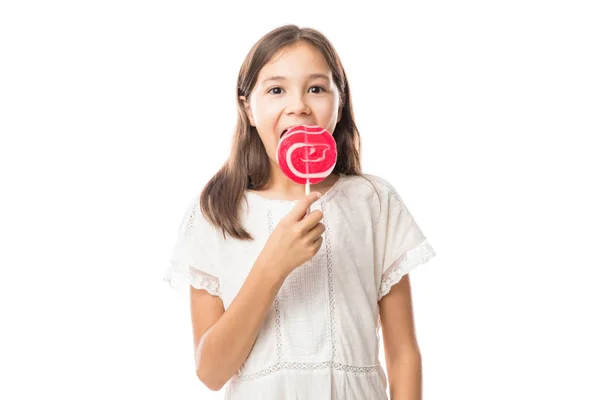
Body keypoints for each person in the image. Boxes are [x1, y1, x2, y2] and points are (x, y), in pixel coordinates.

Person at [163, 24, 437, 400]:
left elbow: (403, 353)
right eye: (276, 90)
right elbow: (211, 372)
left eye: (317, 88)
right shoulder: (217, 211)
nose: (299, 105)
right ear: (249, 108)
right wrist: (273, 264)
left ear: (340, 103)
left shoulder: (373, 201)